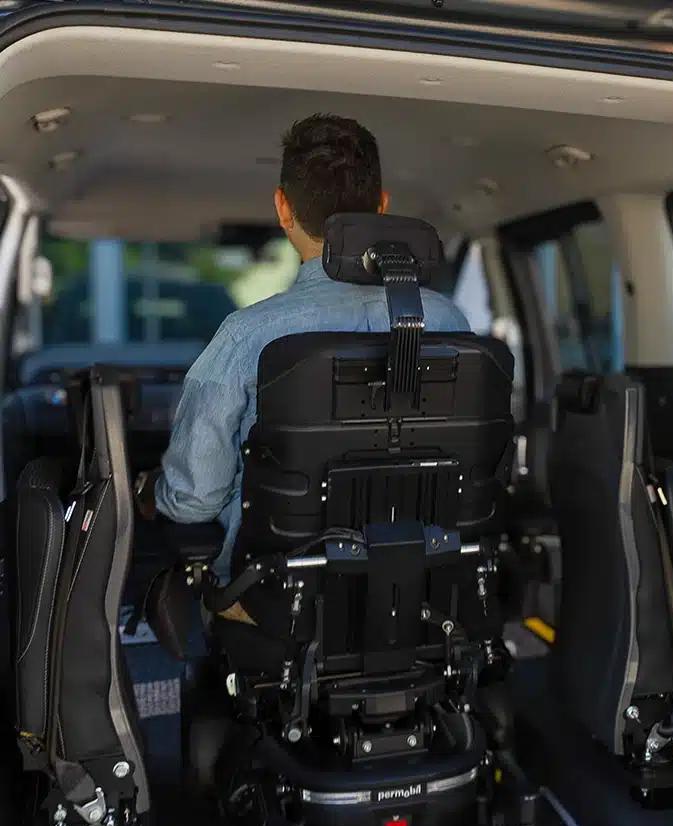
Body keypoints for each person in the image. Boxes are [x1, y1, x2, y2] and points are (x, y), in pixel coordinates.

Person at [135, 113, 470, 581]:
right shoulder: (447, 322)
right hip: (426, 596)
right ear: (381, 206)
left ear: (282, 208)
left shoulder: (247, 336)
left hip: (277, 606)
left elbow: (195, 502)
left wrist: (148, 491)